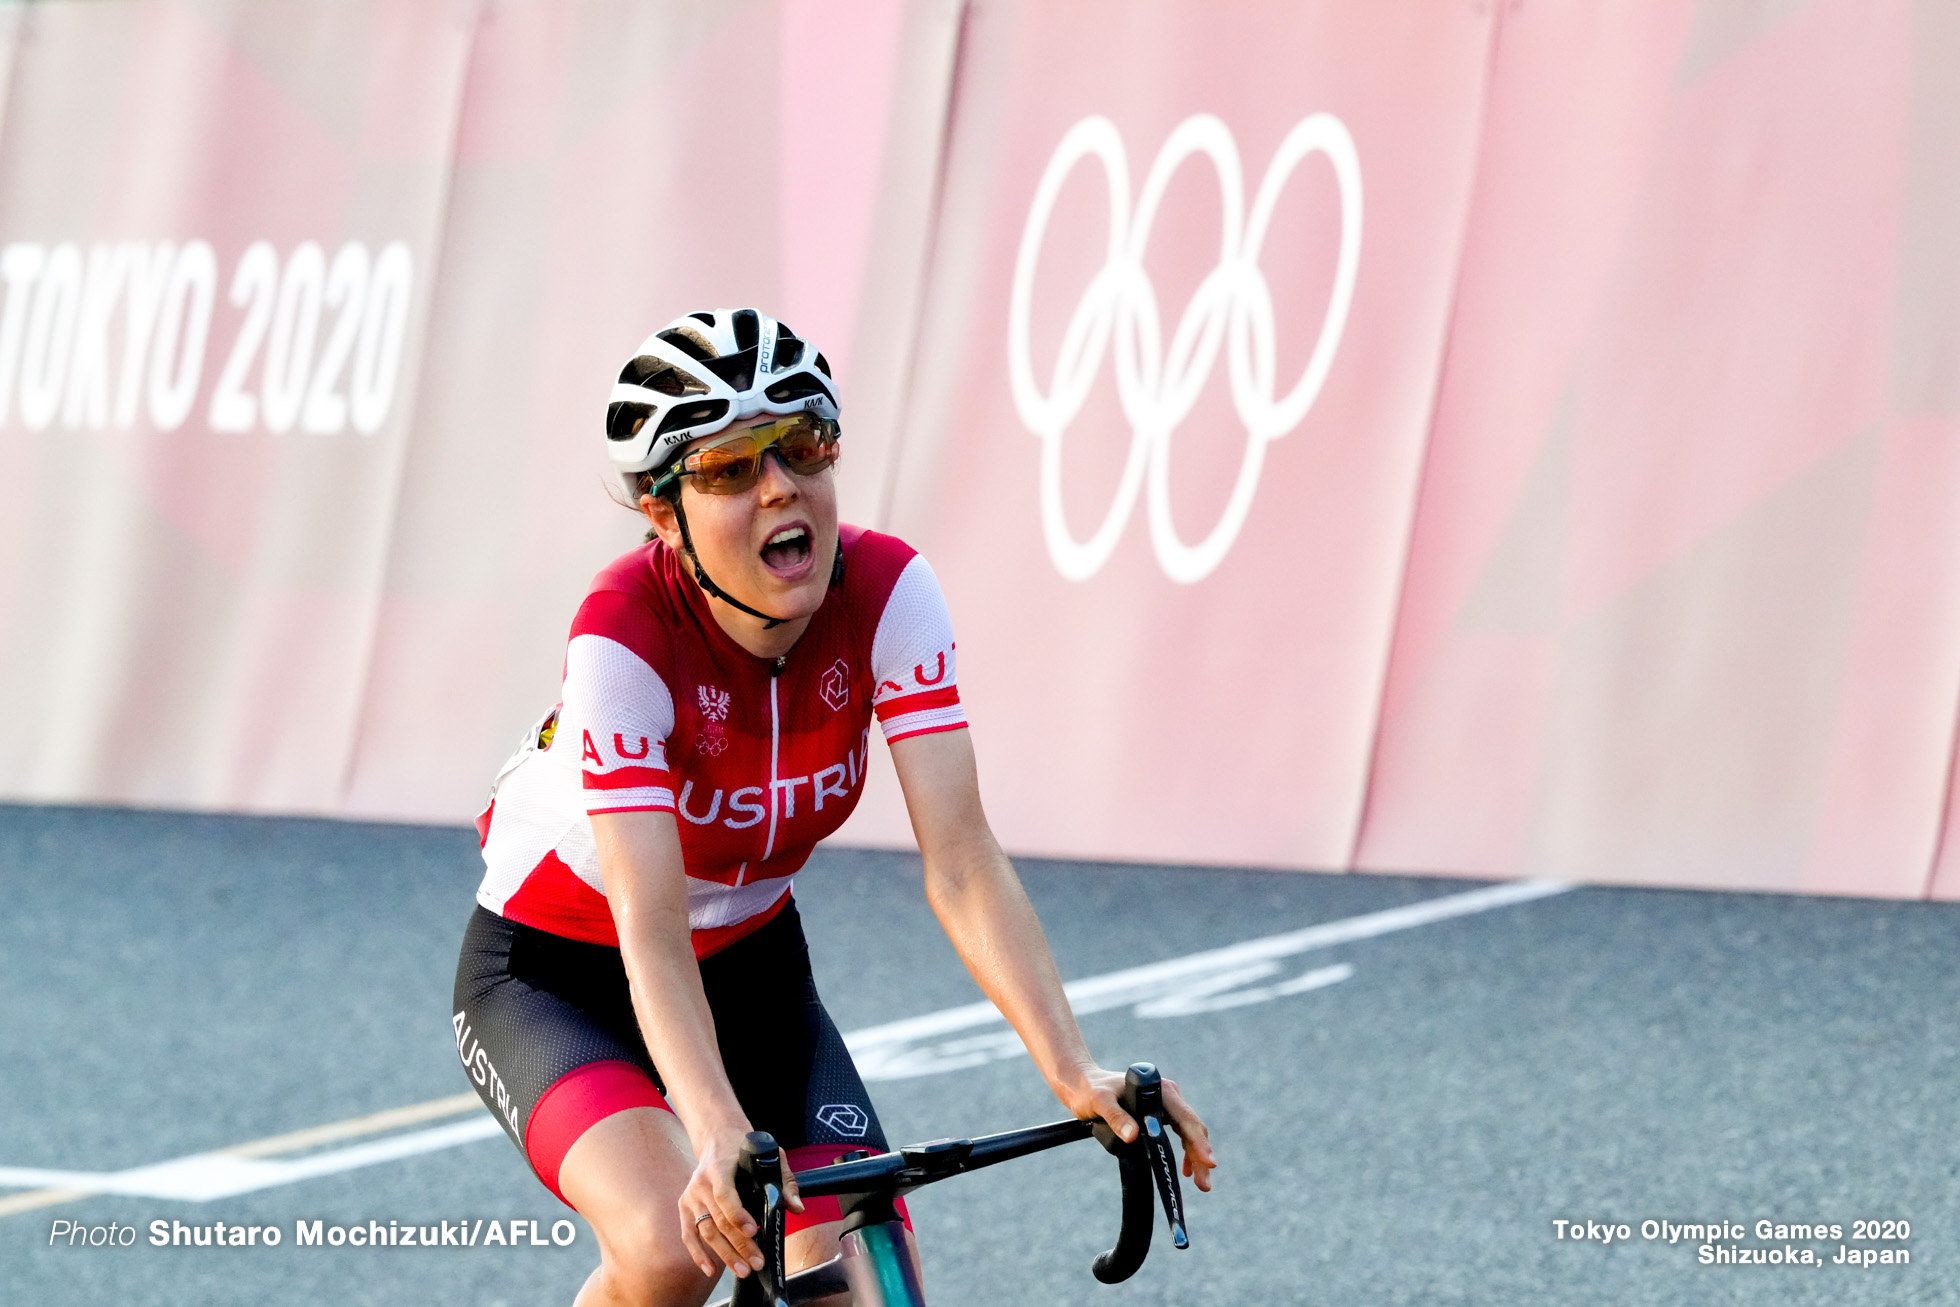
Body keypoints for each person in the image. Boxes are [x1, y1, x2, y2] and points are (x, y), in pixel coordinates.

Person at [453, 308, 1215, 1306]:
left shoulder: (890, 592)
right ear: (660, 511)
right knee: (669, 1247)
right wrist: (715, 1123)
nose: (780, 485)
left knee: (863, 1265)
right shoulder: (622, 638)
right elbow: (647, 916)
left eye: (802, 445)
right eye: (729, 467)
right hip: (558, 973)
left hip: (753, 967)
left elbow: (962, 857)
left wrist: (1072, 1067)